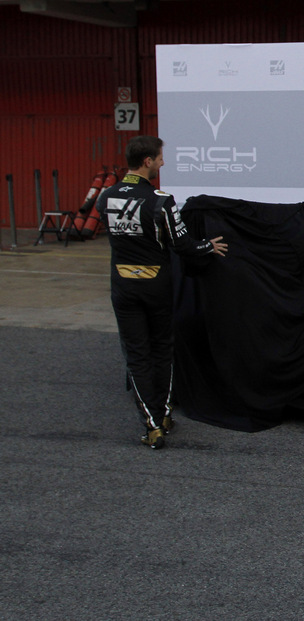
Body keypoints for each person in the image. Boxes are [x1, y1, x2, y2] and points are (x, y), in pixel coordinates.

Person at [98, 135, 228, 449]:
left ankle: (152, 424)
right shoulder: (161, 200)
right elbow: (182, 245)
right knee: (162, 350)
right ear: (147, 162)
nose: (162, 163)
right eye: (159, 158)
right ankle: (164, 414)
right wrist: (207, 246)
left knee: (137, 355)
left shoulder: (106, 196)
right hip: (155, 285)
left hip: (122, 284)